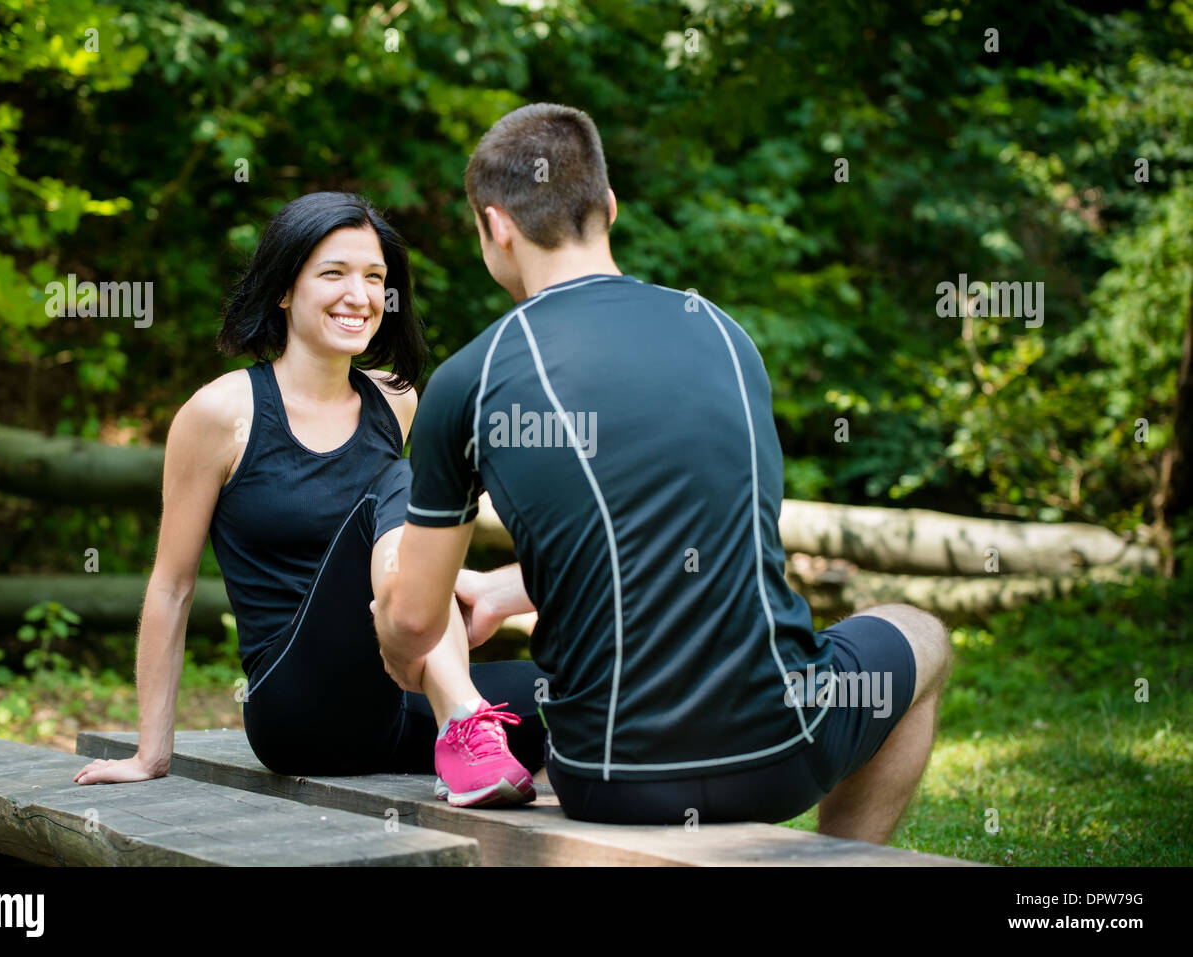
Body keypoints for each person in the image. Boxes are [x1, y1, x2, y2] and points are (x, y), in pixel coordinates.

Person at [374, 104, 954, 842]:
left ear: (495, 227)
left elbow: (419, 619)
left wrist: (399, 641)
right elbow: (711, 535)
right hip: (782, 755)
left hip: (606, 776)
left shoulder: (471, 379)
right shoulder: (722, 334)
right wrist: (506, 589)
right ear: (609, 208)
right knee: (918, 629)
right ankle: (844, 859)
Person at [74, 192, 545, 808]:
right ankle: (463, 719)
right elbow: (171, 585)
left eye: (375, 277)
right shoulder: (222, 413)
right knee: (404, 482)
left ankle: (473, 733)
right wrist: (149, 754)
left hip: (393, 701)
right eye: (334, 273)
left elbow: (411, 553)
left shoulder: (396, 401)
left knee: (567, 690)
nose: (360, 295)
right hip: (297, 708)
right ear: (284, 289)